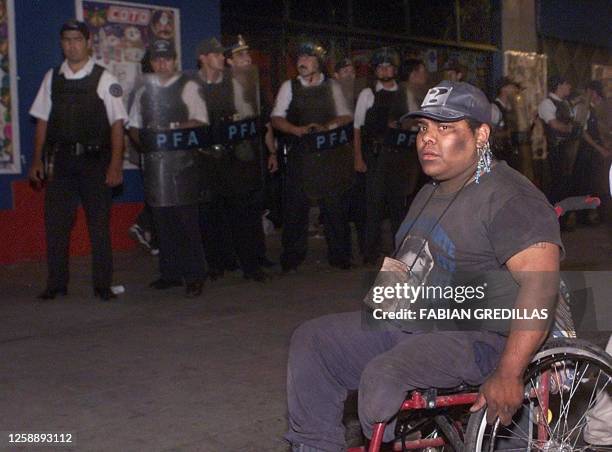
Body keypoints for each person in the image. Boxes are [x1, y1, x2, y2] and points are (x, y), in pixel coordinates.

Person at [285, 81, 562, 452]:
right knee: (314, 340)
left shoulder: (510, 197)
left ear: (481, 134)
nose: (427, 139)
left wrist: (510, 372)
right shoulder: (431, 191)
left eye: (445, 128)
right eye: (423, 129)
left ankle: (396, 436)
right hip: (417, 325)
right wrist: (375, 315)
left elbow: (541, 286)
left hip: (480, 339)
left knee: (383, 373)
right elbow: (404, 266)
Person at [28, 20, 127, 301]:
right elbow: (42, 122)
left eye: (77, 39)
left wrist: (115, 164)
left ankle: (102, 286)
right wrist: (36, 160)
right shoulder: (52, 78)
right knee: (56, 225)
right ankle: (56, 284)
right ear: (62, 44)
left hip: (96, 162)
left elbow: (118, 124)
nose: (72, 45)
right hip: (60, 163)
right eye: (66, 40)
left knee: (99, 226)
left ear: (88, 43)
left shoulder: (105, 79)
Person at [128, 39, 208, 297]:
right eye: (157, 59)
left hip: (183, 163)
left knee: (187, 221)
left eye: (166, 59)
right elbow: (133, 126)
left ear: (175, 61)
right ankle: (170, 273)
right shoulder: (143, 91)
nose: (162, 63)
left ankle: (195, 275)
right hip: (156, 164)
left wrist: (171, 130)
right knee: (162, 221)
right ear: (151, 63)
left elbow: (200, 121)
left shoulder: (189, 87)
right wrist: (147, 144)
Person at [270, 41, 353, 271]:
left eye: (306, 59)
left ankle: (340, 255)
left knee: (335, 208)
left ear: (318, 63)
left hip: (329, 156)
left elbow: (346, 115)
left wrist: (329, 126)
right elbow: (276, 118)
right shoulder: (289, 86)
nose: (301, 63)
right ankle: (292, 257)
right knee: (295, 208)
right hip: (301, 154)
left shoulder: (333, 86)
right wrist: (295, 130)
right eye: (299, 59)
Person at [197, 37, 268, 282]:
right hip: (207, 159)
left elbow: (247, 115)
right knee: (211, 214)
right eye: (216, 55)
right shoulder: (194, 84)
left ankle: (250, 266)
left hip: (234, 158)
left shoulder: (234, 84)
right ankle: (217, 263)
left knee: (242, 213)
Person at [353, 50, 422, 265]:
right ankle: (369, 253)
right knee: (373, 205)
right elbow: (357, 128)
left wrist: (401, 125)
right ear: (376, 71)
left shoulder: (405, 93)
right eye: (380, 66)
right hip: (376, 155)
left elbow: (415, 121)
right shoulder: (368, 94)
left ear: (394, 70)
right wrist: (358, 157)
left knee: (397, 206)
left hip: (400, 156)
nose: (384, 70)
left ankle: (399, 251)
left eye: (388, 66)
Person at [573, 80, 611, 224]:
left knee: (595, 183)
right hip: (591, 150)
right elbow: (582, 131)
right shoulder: (587, 107)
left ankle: (595, 215)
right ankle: (589, 216)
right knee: (590, 183)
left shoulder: (596, 107)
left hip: (594, 150)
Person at [538, 75, 578, 206]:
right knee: (556, 183)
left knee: (567, 182)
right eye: (567, 83)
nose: (570, 87)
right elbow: (554, 125)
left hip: (568, 148)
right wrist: (569, 129)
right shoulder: (547, 103)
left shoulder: (565, 103)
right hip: (555, 149)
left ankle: (564, 216)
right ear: (559, 85)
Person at [491, 77, 522, 170]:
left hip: (509, 153)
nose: (515, 90)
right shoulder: (494, 109)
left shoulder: (509, 108)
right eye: (512, 87)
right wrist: (507, 134)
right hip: (499, 155)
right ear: (503, 89)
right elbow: (489, 134)